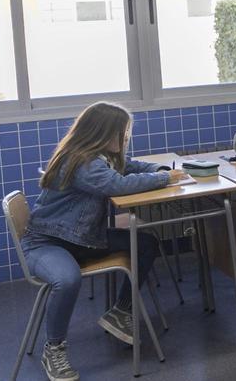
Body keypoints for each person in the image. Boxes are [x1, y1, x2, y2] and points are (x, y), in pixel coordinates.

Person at [21, 102, 187, 381]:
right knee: (67, 280)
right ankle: (54, 349)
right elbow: (117, 185)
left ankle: (121, 311)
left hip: (84, 239)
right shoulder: (81, 161)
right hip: (48, 243)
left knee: (146, 244)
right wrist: (163, 178)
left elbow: (130, 166)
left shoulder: (101, 156)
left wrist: (159, 169)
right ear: (101, 132)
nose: (125, 136)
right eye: (121, 131)